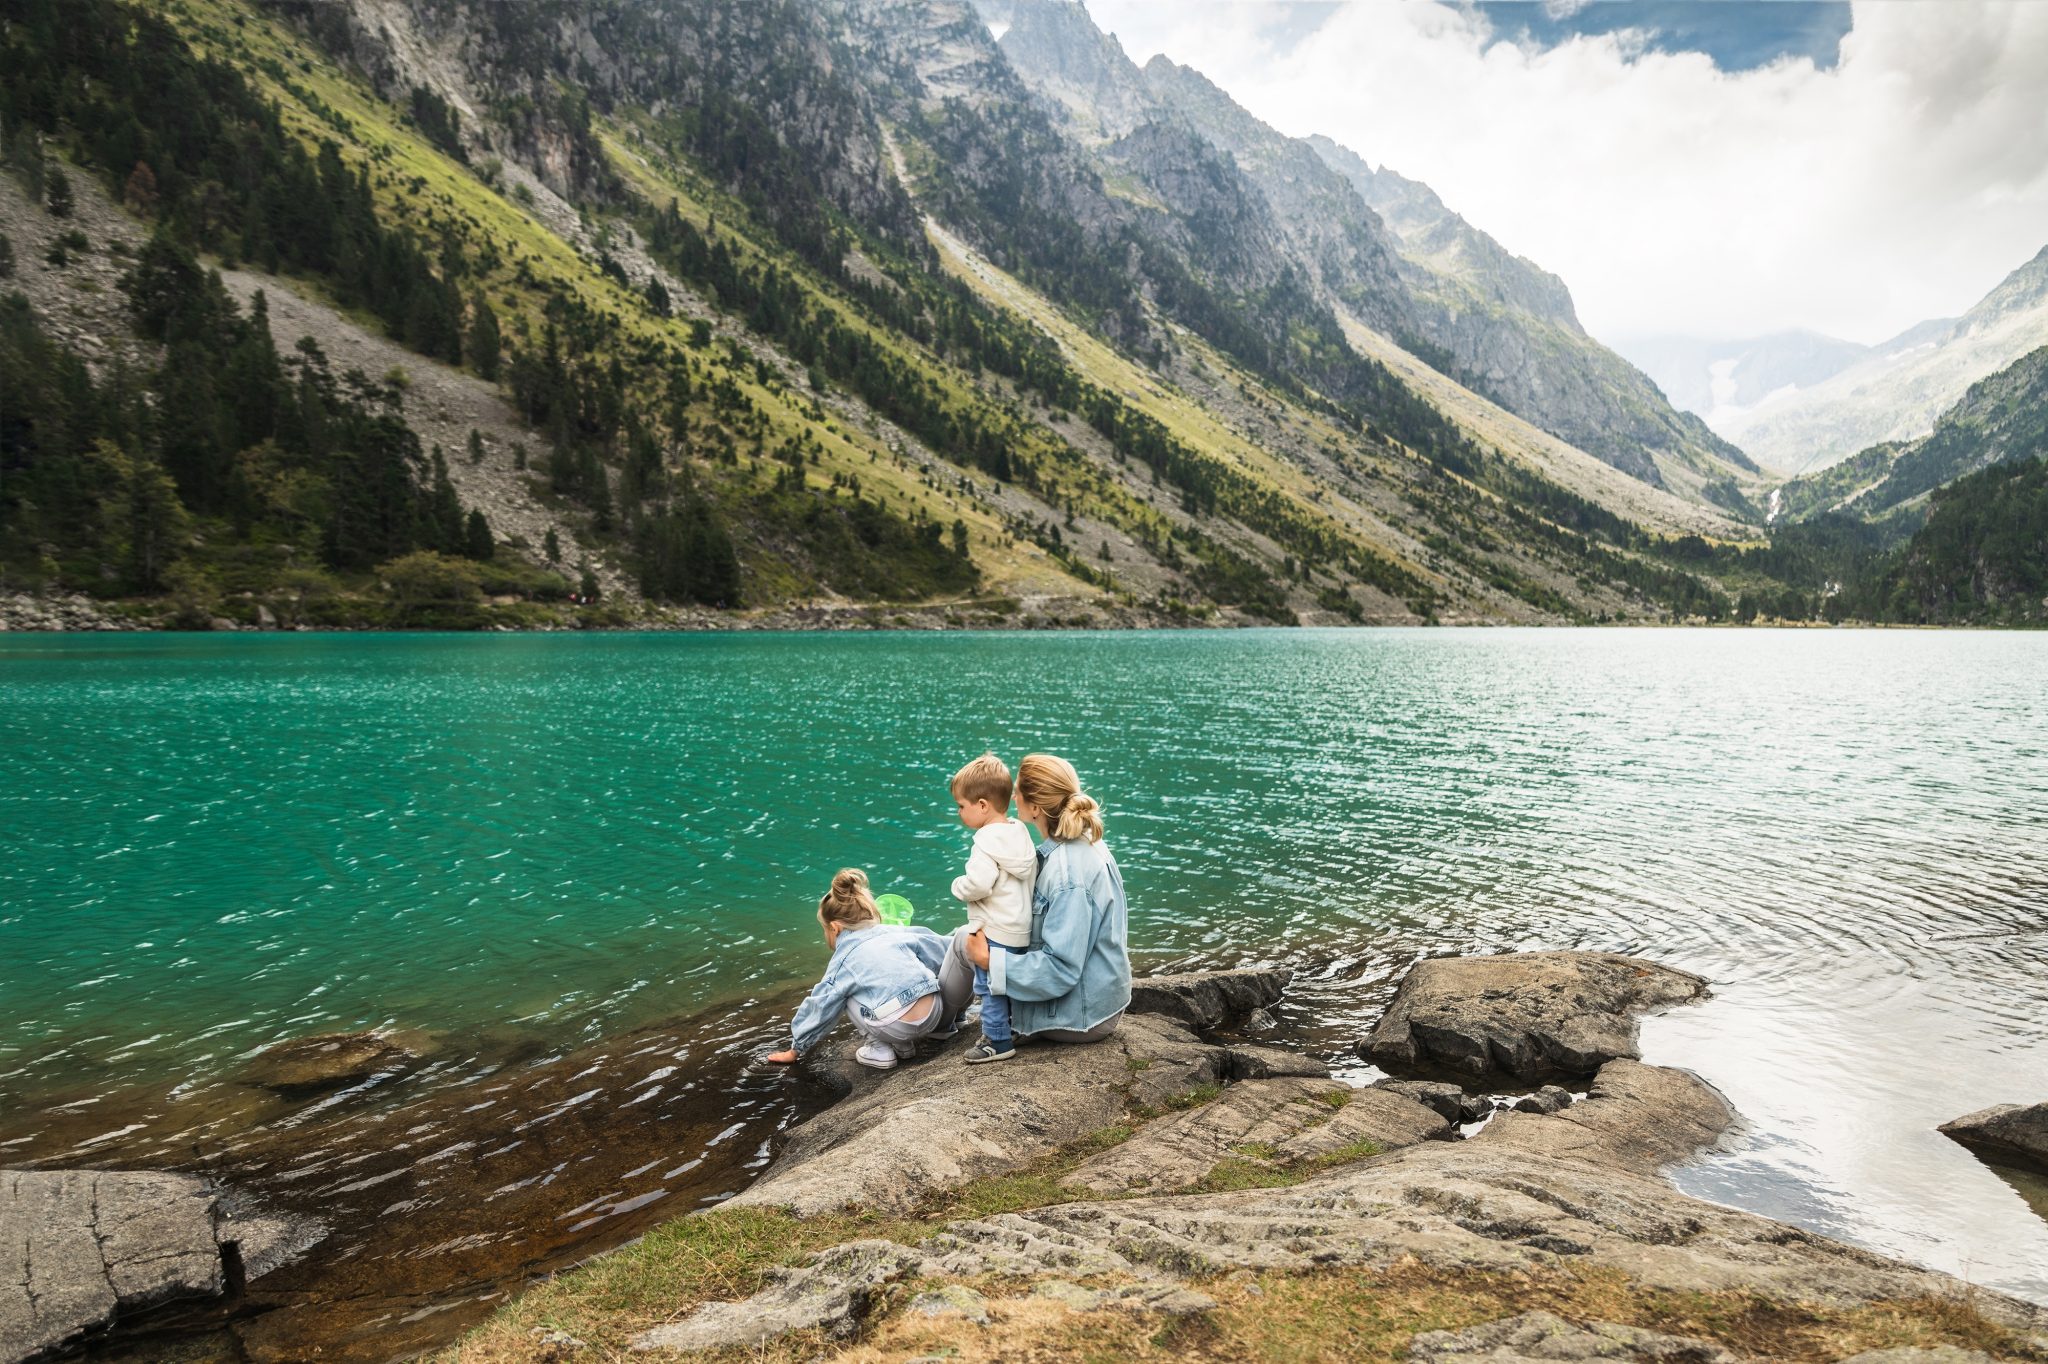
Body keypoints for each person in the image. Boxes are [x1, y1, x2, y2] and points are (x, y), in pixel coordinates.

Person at [942, 753, 1130, 1048]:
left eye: (1017, 791)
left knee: (968, 945)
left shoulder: (1069, 876)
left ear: (1035, 808)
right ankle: (939, 1019)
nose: (1011, 795)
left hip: (1081, 1016)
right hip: (1088, 1000)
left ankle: (936, 1027)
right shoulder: (1074, 844)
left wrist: (991, 960)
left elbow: (1061, 969)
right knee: (963, 939)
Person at [764, 868, 950, 1071]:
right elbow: (942, 949)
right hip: (934, 1013)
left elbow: (821, 1005)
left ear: (834, 928)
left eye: (825, 930)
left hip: (896, 1026)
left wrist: (796, 1049)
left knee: (842, 993)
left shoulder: (843, 959)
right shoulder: (895, 931)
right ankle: (904, 1047)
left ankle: (879, 1049)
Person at [947, 752, 1039, 1064]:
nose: (960, 812)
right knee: (1009, 981)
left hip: (995, 928)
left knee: (988, 985)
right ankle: (1015, 1028)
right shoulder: (1019, 831)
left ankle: (997, 1040)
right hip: (1019, 927)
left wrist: (958, 886)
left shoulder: (984, 840)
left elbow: (979, 884)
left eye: (962, 806)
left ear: (983, 805)